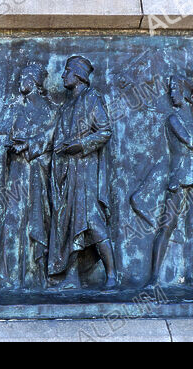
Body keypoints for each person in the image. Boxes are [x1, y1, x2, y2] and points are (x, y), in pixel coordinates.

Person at [48, 56, 119, 291]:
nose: (63, 75)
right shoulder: (66, 107)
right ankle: (72, 276)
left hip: (86, 172)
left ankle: (112, 275)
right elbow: (57, 139)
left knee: (93, 222)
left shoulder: (91, 99)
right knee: (70, 222)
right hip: (68, 172)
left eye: (67, 71)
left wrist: (81, 144)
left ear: (78, 75)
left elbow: (104, 131)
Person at [0, 63, 55, 291]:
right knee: (12, 221)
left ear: (34, 82)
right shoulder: (14, 108)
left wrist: (28, 144)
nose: (20, 82)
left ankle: (34, 277)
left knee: (36, 223)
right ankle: (9, 277)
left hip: (38, 174)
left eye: (24, 77)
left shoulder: (50, 110)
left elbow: (53, 138)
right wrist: (7, 145)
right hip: (17, 174)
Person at [148, 75, 193, 287]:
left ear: (186, 93)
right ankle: (153, 277)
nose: (171, 94)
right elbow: (191, 142)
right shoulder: (173, 119)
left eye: (175, 89)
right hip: (179, 175)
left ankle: (189, 275)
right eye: (170, 90)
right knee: (166, 226)